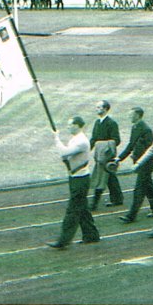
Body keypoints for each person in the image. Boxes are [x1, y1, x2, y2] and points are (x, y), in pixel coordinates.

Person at [48, 116, 100, 249]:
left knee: (72, 210)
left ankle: (63, 240)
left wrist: (56, 138)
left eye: (70, 124)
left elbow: (64, 152)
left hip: (80, 179)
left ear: (77, 125)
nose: (68, 127)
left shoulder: (82, 141)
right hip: (75, 177)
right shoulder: (75, 139)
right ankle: (91, 235)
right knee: (82, 209)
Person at [116, 107, 153, 223]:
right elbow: (131, 145)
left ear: (138, 115)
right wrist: (119, 158)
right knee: (149, 188)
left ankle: (131, 215)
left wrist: (139, 160)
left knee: (139, 190)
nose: (129, 116)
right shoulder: (135, 127)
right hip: (139, 163)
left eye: (131, 114)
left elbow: (149, 149)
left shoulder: (145, 129)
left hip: (145, 164)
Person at [89, 100, 124, 210]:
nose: (97, 109)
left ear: (105, 109)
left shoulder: (111, 123)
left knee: (102, 177)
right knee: (110, 178)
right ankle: (118, 198)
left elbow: (116, 140)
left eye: (99, 107)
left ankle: (94, 203)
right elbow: (93, 138)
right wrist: (87, 150)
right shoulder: (97, 123)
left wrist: (105, 148)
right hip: (100, 155)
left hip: (107, 155)